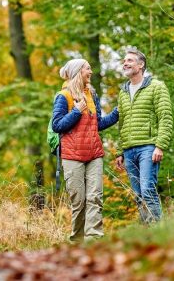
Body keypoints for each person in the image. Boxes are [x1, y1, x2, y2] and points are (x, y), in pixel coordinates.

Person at [52, 58, 118, 242]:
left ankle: (94, 239)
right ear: (78, 71)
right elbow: (57, 125)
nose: (91, 72)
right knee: (79, 201)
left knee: (95, 198)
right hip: (72, 156)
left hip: (94, 154)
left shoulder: (92, 94)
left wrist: (117, 113)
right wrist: (75, 112)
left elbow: (98, 124)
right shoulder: (63, 96)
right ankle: (77, 240)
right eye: (88, 68)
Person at [115, 49, 173, 224]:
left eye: (130, 60)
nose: (125, 63)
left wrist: (160, 145)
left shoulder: (156, 86)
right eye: (124, 60)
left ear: (141, 65)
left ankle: (158, 229)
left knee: (148, 189)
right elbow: (122, 123)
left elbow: (165, 117)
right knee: (138, 194)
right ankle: (148, 232)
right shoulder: (123, 92)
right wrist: (120, 152)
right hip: (129, 150)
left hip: (148, 147)